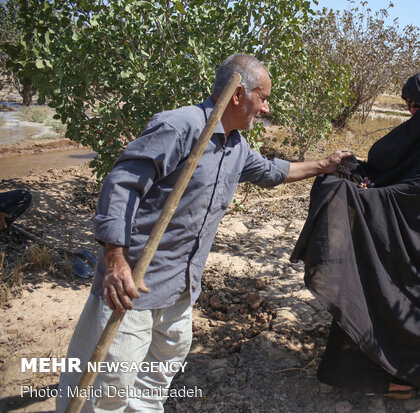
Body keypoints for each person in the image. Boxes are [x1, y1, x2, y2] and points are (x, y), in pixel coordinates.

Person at [56, 53, 352, 412]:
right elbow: (122, 184)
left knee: (154, 380)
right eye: (263, 97)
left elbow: (274, 172)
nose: (267, 108)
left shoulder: (236, 146)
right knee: (108, 385)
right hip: (133, 286)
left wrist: (326, 165)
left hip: (181, 287)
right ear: (238, 95)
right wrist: (115, 257)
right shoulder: (180, 126)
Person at [291, 70, 420, 399]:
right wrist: (357, 172)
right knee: (371, 281)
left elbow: (415, 199)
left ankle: (413, 377)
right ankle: (377, 364)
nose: (413, 111)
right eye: (408, 105)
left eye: (419, 104)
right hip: (409, 234)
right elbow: (393, 173)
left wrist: (361, 197)